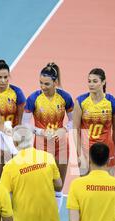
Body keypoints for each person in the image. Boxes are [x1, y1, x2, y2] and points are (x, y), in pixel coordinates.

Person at [22, 62, 73, 210]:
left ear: (55, 82)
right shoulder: (33, 99)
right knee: (40, 182)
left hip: (61, 146)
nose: (43, 87)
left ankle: (54, 216)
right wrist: (41, 132)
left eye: (47, 84)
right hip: (41, 146)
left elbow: (73, 121)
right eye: (40, 83)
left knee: (58, 185)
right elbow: (25, 124)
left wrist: (63, 129)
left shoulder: (65, 97)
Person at [73, 68, 115, 176]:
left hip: (107, 149)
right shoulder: (80, 101)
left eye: (95, 81)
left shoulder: (113, 103)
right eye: (89, 81)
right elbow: (75, 129)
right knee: (86, 186)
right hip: (86, 150)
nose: (91, 84)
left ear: (103, 82)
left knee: (108, 185)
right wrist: (79, 154)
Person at [0, 59, 26, 181]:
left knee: (13, 176)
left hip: (12, 137)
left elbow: (21, 119)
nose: (3, 81)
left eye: (6, 77)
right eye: (0, 77)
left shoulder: (17, 92)